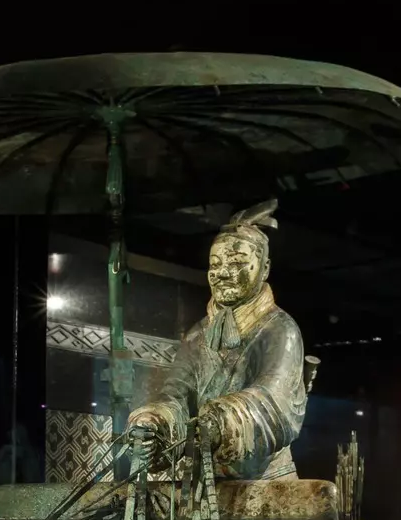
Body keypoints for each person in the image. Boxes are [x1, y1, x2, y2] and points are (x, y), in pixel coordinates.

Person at [126, 199, 309, 481]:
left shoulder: (280, 329)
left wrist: (222, 422)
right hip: (202, 480)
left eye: (237, 263)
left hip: (264, 483)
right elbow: (177, 394)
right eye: (215, 263)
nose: (223, 272)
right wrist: (156, 422)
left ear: (264, 268)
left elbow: (276, 401)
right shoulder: (198, 334)